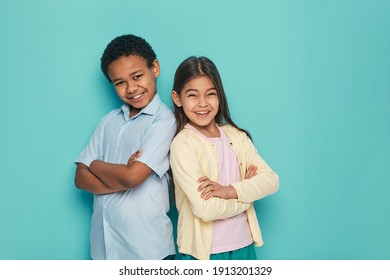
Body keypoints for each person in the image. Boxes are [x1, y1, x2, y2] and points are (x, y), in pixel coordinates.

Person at [74, 34, 176, 260]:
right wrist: (121, 176)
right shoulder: (108, 122)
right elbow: (80, 178)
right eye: (120, 82)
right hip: (104, 250)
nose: (131, 88)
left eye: (137, 76)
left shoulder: (164, 120)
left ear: (155, 68)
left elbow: (132, 177)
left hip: (148, 252)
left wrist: (96, 165)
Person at [170, 56, 279, 260]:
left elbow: (271, 180)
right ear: (177, 98)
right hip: (204, 254)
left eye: (210, 94)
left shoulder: (236, 136)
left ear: (219, 96)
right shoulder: (183, 145)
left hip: (244, 246)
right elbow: (206, 209)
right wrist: (248, 196)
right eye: (192, 95)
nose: (203, 103)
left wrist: (230, 191)